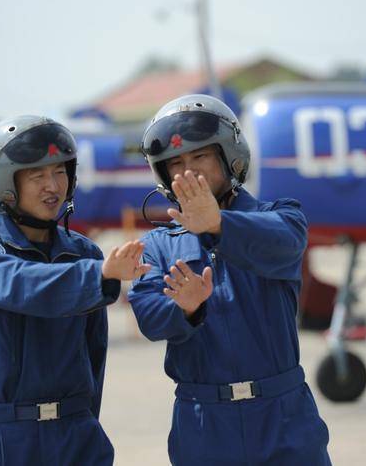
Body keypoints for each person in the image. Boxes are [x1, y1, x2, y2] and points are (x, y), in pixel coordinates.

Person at [128, 95, 331, 465]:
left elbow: (284, 246)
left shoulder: (282, 216)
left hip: (283, 416)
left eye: (200, 157)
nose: (188, 173)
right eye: (175, 163)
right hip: (204, 423)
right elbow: (149, 319)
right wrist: (185, 309)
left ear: (229, 155)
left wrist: (219, 225)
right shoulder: (157, 245)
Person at [0, 115, 150, 465]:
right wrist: (98, 275)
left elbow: (94, 354)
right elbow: (20, 284)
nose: (52, 186)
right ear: (4, 183)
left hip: (74, 435)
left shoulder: (84, 253)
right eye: (37, 175)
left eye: (60, 172)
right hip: (0, 440)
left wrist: (83, 422)